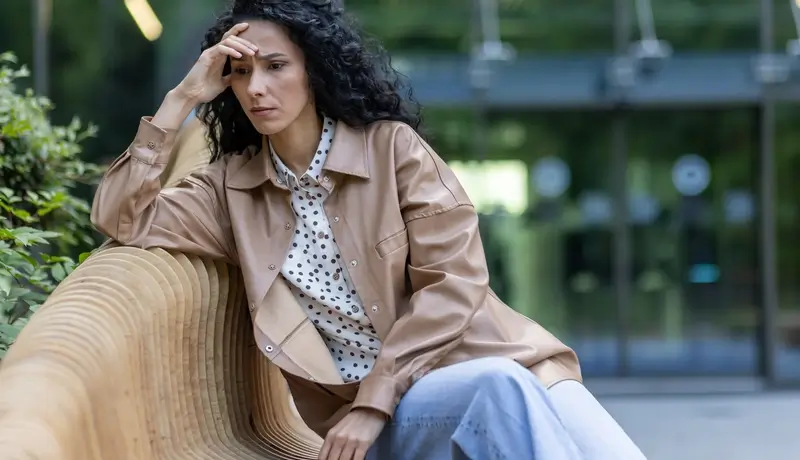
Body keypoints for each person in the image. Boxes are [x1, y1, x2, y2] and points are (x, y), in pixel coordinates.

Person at [91, 1, 647, 459]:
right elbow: (121, 216)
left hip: (494, 361)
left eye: (276, 66)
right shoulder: (228, 190)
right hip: (396, 412)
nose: (256, 87)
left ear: (314, 70)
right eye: (240, 72)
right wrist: (182, 99)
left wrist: (376, 397)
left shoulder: (392, 149)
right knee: (498, 390)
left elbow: (454, 283)